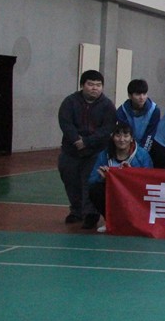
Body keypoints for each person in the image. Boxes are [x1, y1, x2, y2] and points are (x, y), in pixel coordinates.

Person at [58, 70, 117, 227]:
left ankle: (91, 214)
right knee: (71, 181)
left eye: (98, 85)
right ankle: (76, 211)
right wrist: (76, 140)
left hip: (96, 152)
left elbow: (107, 128)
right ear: (82, 85)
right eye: (90, 84)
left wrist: (88, 141)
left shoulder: (107, 105)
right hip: (71, 151)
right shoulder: (70, 102)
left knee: (89, 182)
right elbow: (65, 122)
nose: (94, 88)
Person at [87, 122, 153, 230]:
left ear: (131, 138)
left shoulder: (142, 155)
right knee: (94, 189)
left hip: (134, 193)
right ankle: (110, 221)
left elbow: (149, 179)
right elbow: (91, 179)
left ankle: (137, 221)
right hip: (113, 192)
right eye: (118, 135)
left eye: (126, 136)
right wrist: (102, 178)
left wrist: (131, 173)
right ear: (112, 137)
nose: (122, 139)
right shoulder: (104, 154)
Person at [115, 79, 159, 152]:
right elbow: (125, 133)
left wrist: (142, 152)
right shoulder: (122, 111)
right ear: (130, 96)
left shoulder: (154, 110)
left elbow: (150, 135)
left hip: (148, 147)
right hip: (128, 147)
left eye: (144, 94)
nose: (142, 97)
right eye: (138, 94)